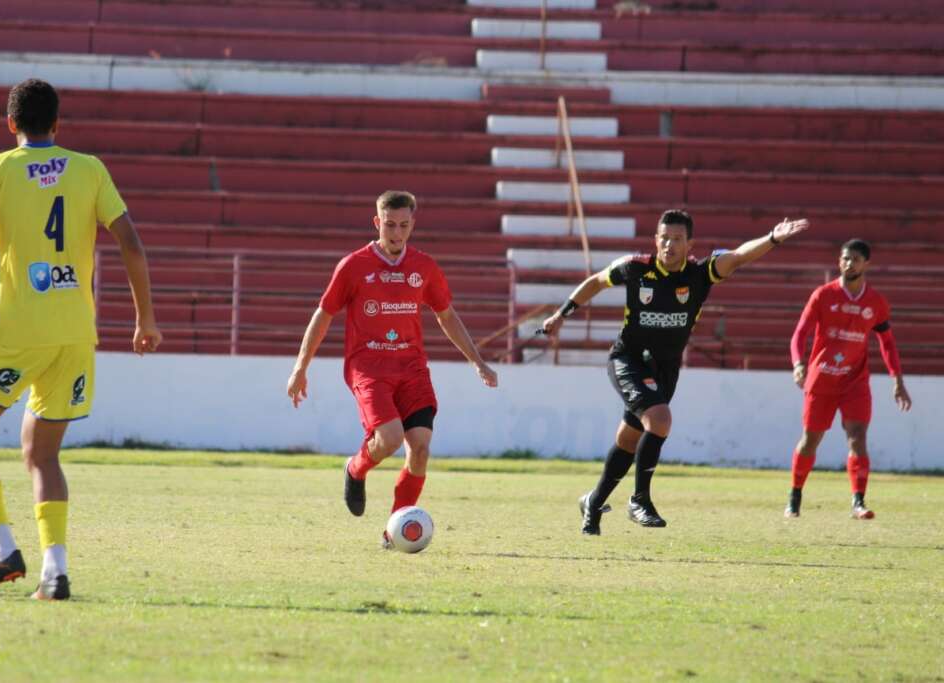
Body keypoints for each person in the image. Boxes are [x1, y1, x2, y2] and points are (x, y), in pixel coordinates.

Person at [0, 79, 162, 600]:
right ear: (57, 124)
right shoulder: (90, 169)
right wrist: (145, 320)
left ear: (11, 124)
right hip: (76, 333)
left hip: (19, 328)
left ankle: (3, 549)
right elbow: (132, 243)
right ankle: (55, 573)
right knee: (42, 455)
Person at [541, 209, 809, 534]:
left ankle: (593, 503)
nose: (669, 245)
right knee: (660, 420)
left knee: (629, 440)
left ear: (689, 244)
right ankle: (639, 500)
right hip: (627, 359)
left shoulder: (699, 274)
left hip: (665, 369)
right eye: (664, 238)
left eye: (677, 240)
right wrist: (561, 314)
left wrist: (772, 238)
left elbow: (737, 257)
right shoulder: (635, 268)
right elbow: (596, 282)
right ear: (656, 240)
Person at [286, 190, 498, 547]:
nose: (396, 233)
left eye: (403, 225)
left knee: (420, 447)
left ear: (412, 224)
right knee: (389, 439)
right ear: (377, 222)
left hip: (412, 368)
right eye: (389, 224)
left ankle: (393, 532)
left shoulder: (425, 267)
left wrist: (477, 361)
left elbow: (446, 315)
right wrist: (300, 367)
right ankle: (355, 468)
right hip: (368, 367)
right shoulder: (353, 266)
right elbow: (323, 315)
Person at [784, 239, 911, 520]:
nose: (848, 263)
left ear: (867, 264)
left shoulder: (875, 303)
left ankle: (858, 502)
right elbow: (799, 334)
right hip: (822, 380)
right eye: (844, 258)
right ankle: (794, 496)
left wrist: (897, 380)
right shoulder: (823, 295)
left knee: (858, 437)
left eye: (855, 259)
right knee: (810, 440)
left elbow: (887, 343)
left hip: (855, 382)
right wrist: (798, 364)